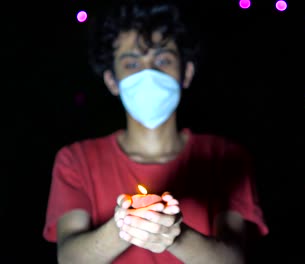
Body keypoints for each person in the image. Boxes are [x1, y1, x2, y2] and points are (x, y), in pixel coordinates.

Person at [42, 0, 269, 263]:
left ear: (186, 72)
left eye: (163, 59)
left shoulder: (226, 157)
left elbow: (233, 259)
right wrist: (124, 226)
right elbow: (69, 257)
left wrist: (175, 235)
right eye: (131, 64)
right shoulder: (76, 160)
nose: (148, 73)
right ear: (111, 81)